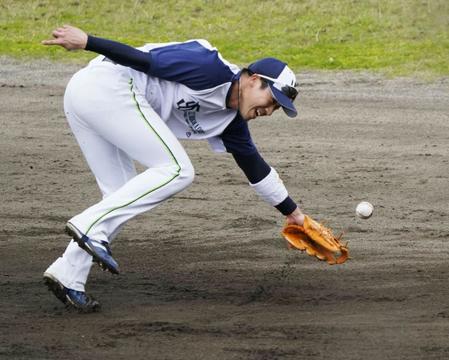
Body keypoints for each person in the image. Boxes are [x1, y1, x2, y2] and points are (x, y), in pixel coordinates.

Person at [42, 25, 305, 312]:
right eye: (271, 101)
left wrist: (294, 214)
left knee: (121, 195)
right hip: (104, 87)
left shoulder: (232, 121)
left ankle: (69, 274)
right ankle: (86, 225)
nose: (268, 111)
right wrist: (88, 42)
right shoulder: (208, 66)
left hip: (98, 99)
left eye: (276, 109)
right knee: (178, 170)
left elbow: (254, 166)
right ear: (254, 80)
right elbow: (140, 59)